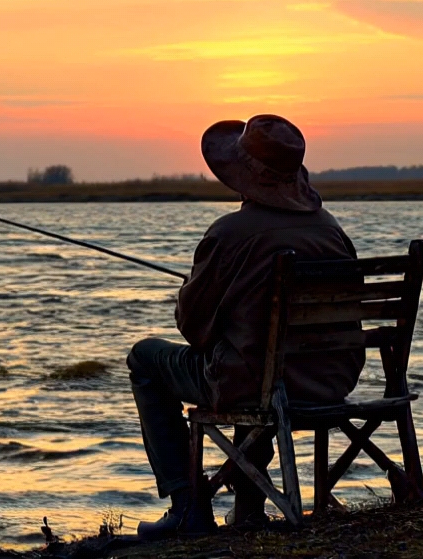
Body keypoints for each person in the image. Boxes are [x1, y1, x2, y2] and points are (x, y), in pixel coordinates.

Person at [127, 114, 364, 539]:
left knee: (146, 359)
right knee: (249, 354)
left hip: (262, 384)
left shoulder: (229, 234)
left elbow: (192, 330)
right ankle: (249, 505)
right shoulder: (331, 229)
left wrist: (191, 292)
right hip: (330, 380)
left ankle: (187, 507)